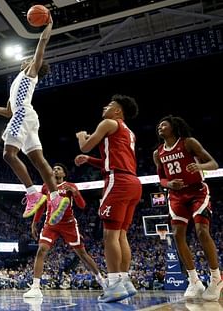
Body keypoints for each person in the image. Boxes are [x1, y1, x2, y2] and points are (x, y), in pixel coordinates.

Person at [0, 14, 69, 224]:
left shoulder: (30, 73)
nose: (26, 60)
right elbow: (8, 112)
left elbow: (41, 45)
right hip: (26, 115)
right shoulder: (16, 83)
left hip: (24, 114)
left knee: (9, 155)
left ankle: (32, 193)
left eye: (29, 60)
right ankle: (55, 198)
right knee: (38, 160)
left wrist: (50, 25)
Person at [74, 95, 141, 303]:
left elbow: (85, 146)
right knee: (121, 235)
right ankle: (124, 280)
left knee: (109, 236)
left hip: (117, 181)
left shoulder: (108, 123)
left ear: (118, 111)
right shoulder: (128, 131)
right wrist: (90, 160)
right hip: (132, 182)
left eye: (110, 105)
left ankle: (113, 285)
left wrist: (82, 136)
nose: (105, 106)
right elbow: (112, 158)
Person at [153, 115, 222, 301]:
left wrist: (199, 166)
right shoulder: (158, 153)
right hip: (176, 196)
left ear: (174, 126)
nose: (160, 126)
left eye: (164, 124)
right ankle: (194, 280)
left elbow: (213, 163)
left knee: (201, 231)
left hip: (197, 191)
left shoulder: (188, 143)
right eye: (159, 125)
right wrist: (169, 184)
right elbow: (161, 179)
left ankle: (216, 278)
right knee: (177, 235)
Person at [24, 163, 105, 298]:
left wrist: (75, 193)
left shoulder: (70, 186)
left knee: (82, 254)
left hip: (68, 224)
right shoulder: (45, 187)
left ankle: (102, 280)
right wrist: (34, 223)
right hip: (51, 224)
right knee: (41, 250)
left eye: (59, 169)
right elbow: (41, 206)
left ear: (64, 174)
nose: (55, 170)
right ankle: (35, 288)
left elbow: (82, 205)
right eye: (53, 168)